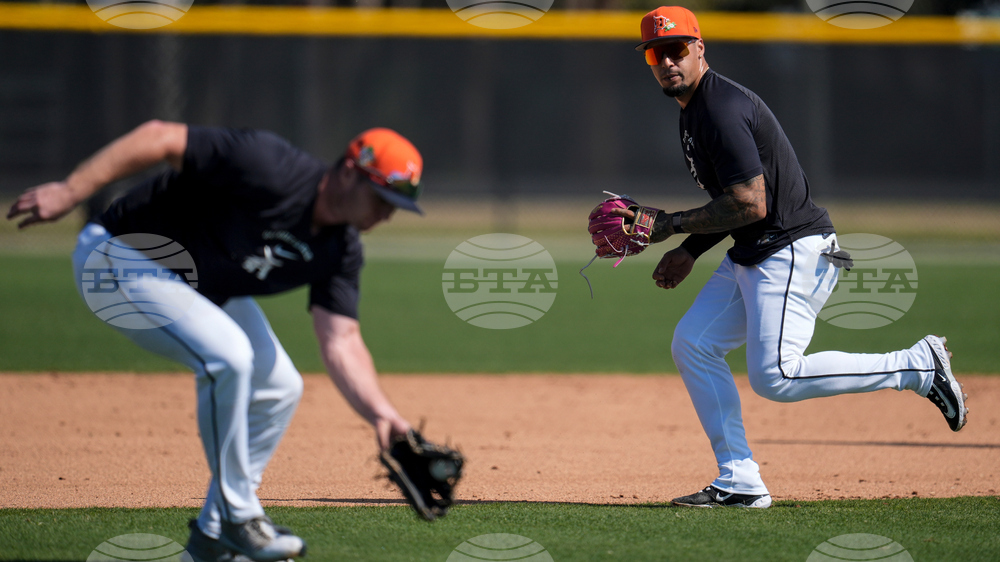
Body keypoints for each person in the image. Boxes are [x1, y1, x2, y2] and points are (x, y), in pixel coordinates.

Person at [7, 121, 425, 560]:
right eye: (383, 198)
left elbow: (342, 339)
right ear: (349, 172)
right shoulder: (268, 165)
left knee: (281, 386)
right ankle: (237, 516)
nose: (387, 214)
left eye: (396, 206)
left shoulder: (340, 249)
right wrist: (70, 190)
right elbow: (159, 136)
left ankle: (211, 538)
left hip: (195, 285)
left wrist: (382, 414)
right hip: (120, 254)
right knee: (230, 357)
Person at [621, 6, 969, 508]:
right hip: (755, 251)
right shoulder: (694, 110)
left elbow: (751, 203)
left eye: (676, 49)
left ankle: (915, 367)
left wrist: (671, 225)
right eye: (656, 54)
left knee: (777, 377)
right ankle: (739, 479)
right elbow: (733, 201)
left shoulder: (719, 108)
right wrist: (690, 249)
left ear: (699, 48)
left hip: (790, 250)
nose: (667, 62)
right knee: (693, 343)